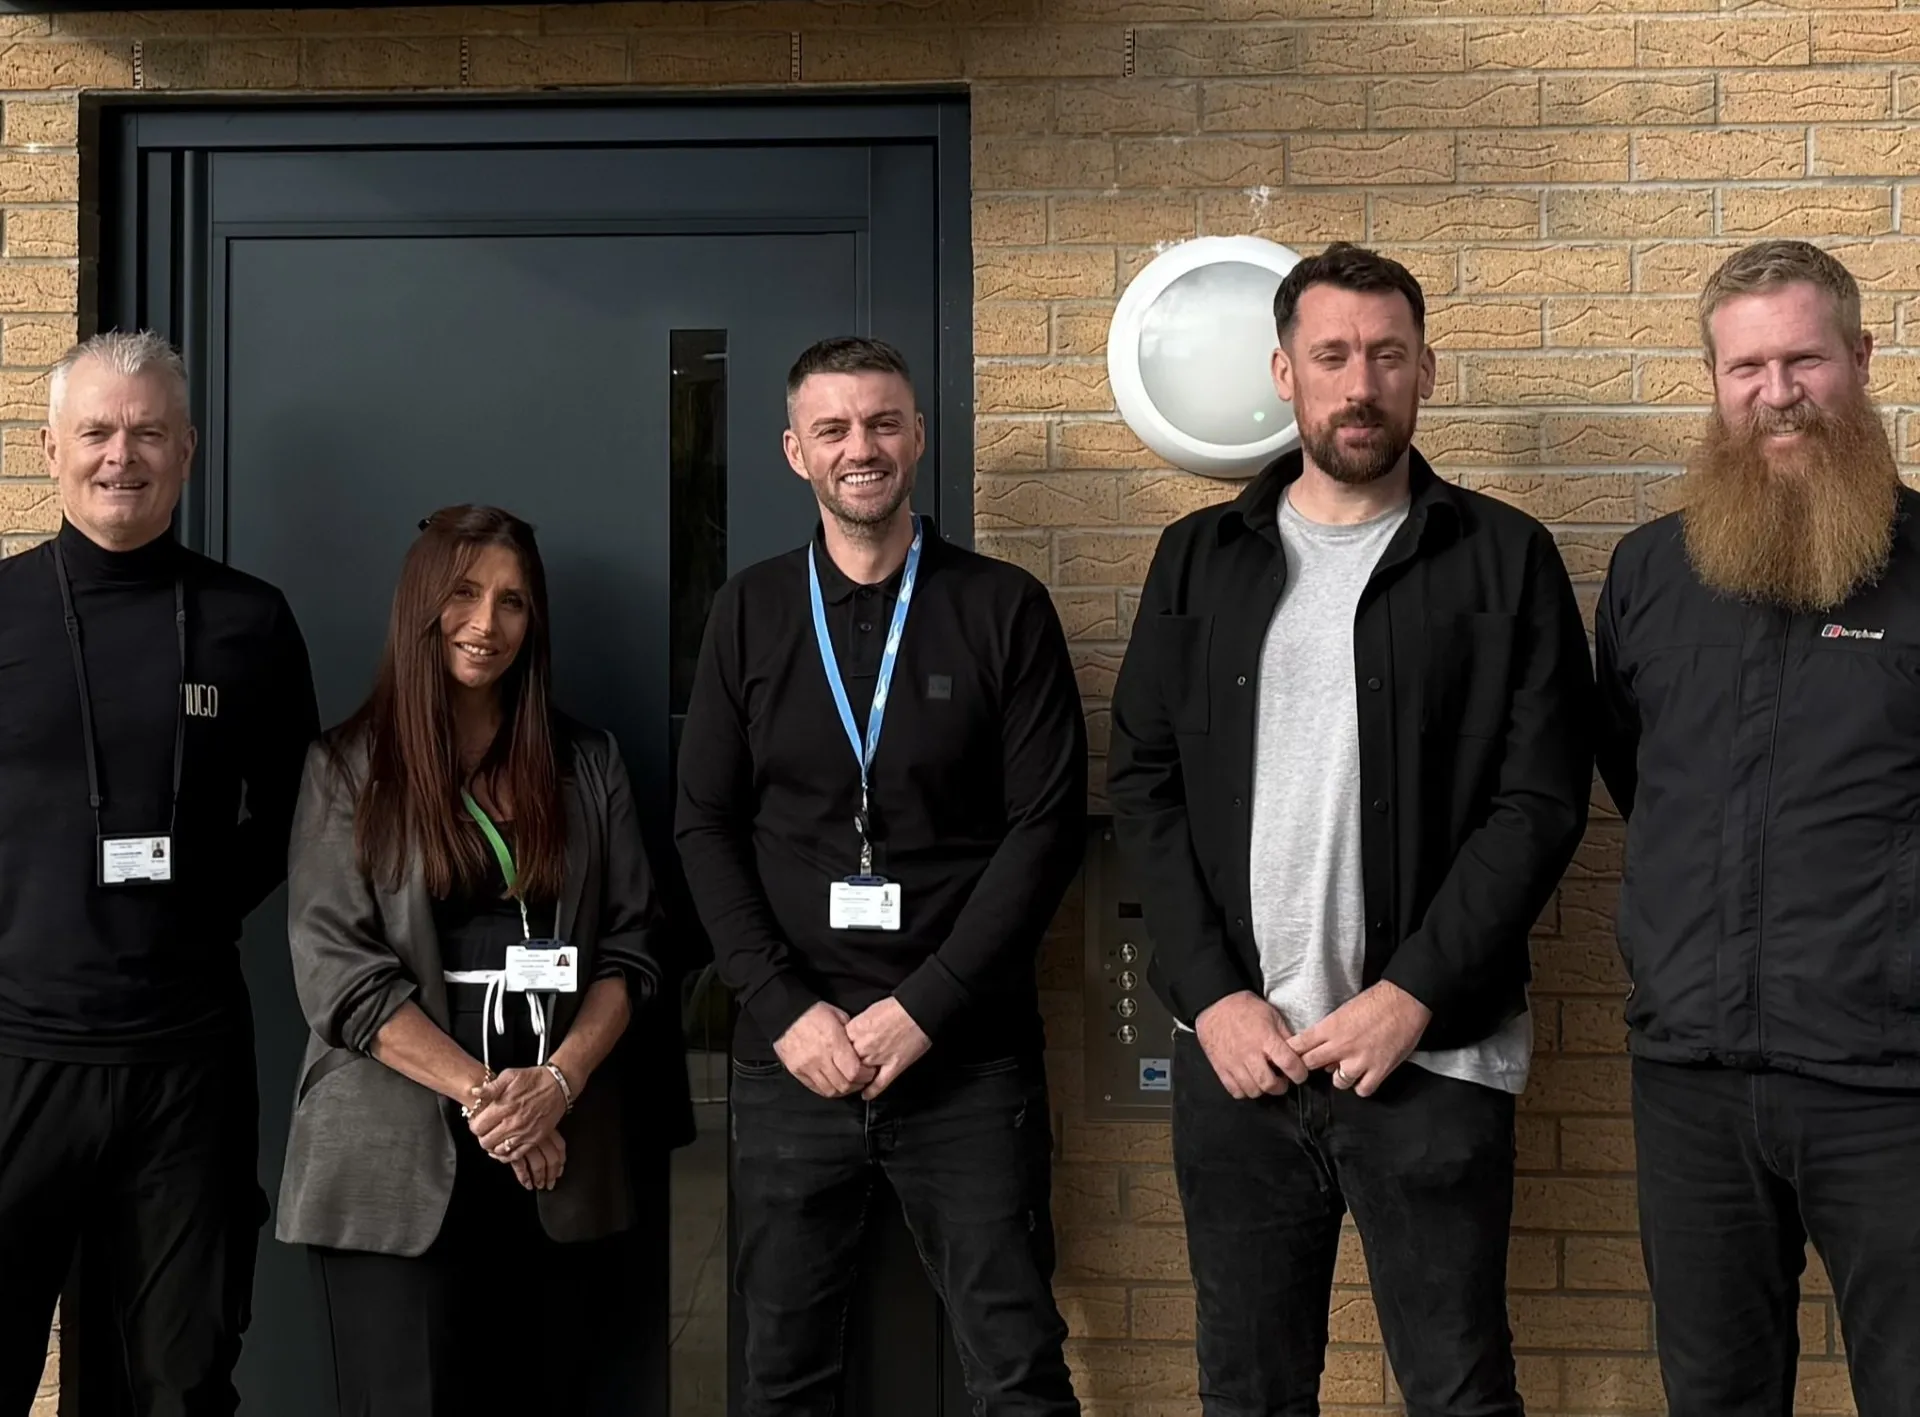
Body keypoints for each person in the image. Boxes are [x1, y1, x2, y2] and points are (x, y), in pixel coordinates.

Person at [1108, 243, 1593, 1416]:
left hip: (1432, 1058)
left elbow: (1540, 802)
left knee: (1459, 1386)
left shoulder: (1503, 556)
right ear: (1284, 371)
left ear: (1427, 368)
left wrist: (1413, 990)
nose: (1358, 382)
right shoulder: (1197, 559)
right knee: (1249, 1388)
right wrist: (1214, 995)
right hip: (1241, 1064)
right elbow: (1144, 782)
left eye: (1385, 354)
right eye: (1331, 355)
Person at [676, 337, 1085, 1416]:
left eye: (883, 423)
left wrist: (925, 1009)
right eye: (834, 429)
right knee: (782, 1373)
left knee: (1018, 1366)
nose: (862, 448)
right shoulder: (750, 612)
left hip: (965, 1059)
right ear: (794, 451)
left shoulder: (1004, 609)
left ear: (917, 435)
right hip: (792, 1057)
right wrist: (779, 1006)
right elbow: (704, 826)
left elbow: (1044, 831)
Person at [1595, 240, 1920, 1416]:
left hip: (1891, 1083)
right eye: (1746, 367)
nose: (1776, 392)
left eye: (1803, 359)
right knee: (1716, 1393)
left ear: (1861, 359)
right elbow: (1641, 775)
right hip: (1693, 1082)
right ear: (1714, 380)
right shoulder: (1648, 574)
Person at [278, 506, 665, 1417]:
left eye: (514, 603)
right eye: (463, 595)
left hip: (556, 1153)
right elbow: (340, 973)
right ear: (423, 605)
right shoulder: (346, 766)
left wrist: (555, 1088)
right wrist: (494, 1102)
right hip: (393, 1159)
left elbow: (635, 948)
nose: (487, 624)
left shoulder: (589, 763)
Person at [0, 331, 319, 1414]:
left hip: (188, 1061)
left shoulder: (251, 620)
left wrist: (192, 907)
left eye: (146, 432)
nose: (118, 455)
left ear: (188, 450)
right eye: (95, 430)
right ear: (49, 447)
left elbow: (296, 816)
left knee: (185, 1380)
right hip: (16, 1050)